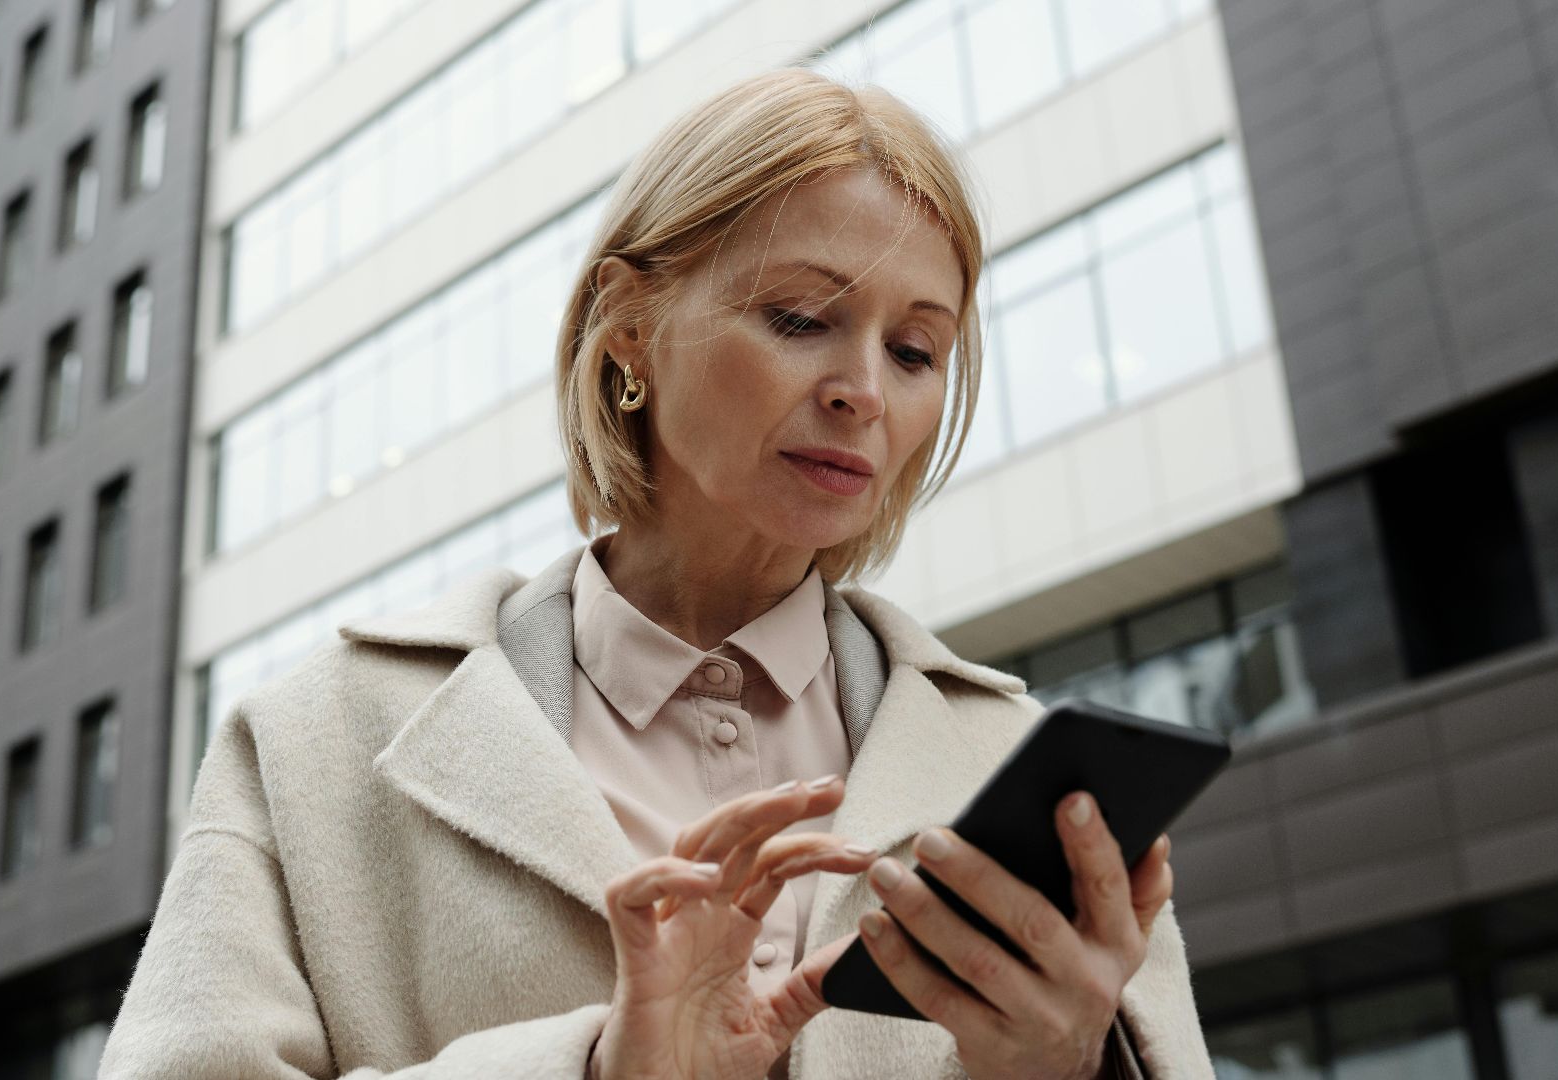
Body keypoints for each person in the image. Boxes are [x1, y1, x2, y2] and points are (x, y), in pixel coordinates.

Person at [97, 67, 1215, 1079]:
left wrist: (1066, 1067)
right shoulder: (317, 743)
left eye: (916, 351)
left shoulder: (1023, 774)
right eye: (801, 317)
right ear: (629, 329)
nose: (865, 390)